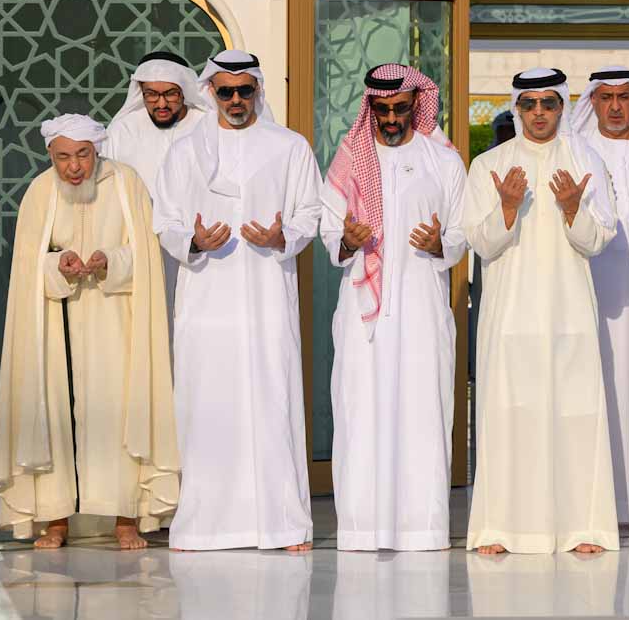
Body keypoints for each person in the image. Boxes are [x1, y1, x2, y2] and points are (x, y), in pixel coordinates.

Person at [153, 49, 323, 552]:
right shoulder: (185, 152)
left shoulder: (289, 147)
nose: (234, 100)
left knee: (272, 397)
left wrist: (282, 236)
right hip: (207, 301)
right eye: (224, 91)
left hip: (268, 295)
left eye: (244, 90)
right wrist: (194, 242)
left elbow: (310, 211)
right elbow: (165, 219)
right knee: (209, 403)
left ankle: (283, 524)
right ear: (210, 92)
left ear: (257, 92)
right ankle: (205, 523)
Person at [0, 114, 178, 550]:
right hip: (55, 325)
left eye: (82, 156)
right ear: (50, 156)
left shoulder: (126, 183)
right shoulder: (40, 190)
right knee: (54, 411)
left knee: (118, 410)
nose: (74, 167)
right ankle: (55, 519)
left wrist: (111, 261)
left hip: (117, 318)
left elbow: (145, 257)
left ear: (97, 152)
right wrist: (59, 265)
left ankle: (125, 517)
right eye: (63, 158)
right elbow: (27, 264)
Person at [464, 68, 619, 555]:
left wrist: (573, 208)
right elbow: (480, 243)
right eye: (529, 104)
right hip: (510, 315)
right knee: (508, 416)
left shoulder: (585, 159)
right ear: (517, 107)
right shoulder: (489, 164)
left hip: (568, 311)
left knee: (575, 416)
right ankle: (500, 530)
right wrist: (507, 208)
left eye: (548, 104)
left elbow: (598, 241)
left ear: (561, 107)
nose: (537, 113)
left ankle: (582, 528)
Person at [322, 64, 467, 552]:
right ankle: (361, 529)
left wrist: (439, 243)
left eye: (400, 108)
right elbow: (327, 230)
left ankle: (423, 529)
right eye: (381, 109)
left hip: (422, 307)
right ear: (371, 107)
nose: (390, 117)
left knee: (423, 412)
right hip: (364, 307)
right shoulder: (348, 161)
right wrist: (345, 239)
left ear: (414, 106)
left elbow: (464, 230)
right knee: (360, 411)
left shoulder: (442, 160)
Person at [566, 66, 629, 525]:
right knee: (597, 383)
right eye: (604, 98)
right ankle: (600, 502)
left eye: (623, 97)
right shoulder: (576, 151)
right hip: (593, 284)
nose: (614, 107)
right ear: (592, 102)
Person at [104, 50, 213, 330]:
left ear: (185, 91)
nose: (161, 103)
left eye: (171, 95)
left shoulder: (207, 125)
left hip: (198, 247)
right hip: (140, 245)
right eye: (151, 94)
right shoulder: (123, 130)